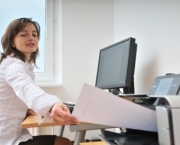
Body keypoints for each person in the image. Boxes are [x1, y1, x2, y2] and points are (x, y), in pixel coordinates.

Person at [0, 18, 78, 145]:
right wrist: (53, 105)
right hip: (6, 140)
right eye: (24, 34)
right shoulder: (13, 65)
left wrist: (24, 109)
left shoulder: (20, 65)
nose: (31, 38)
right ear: (12, 43)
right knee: (64, 143)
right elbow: (26, 88)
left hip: (12, 135)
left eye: (34, 34)